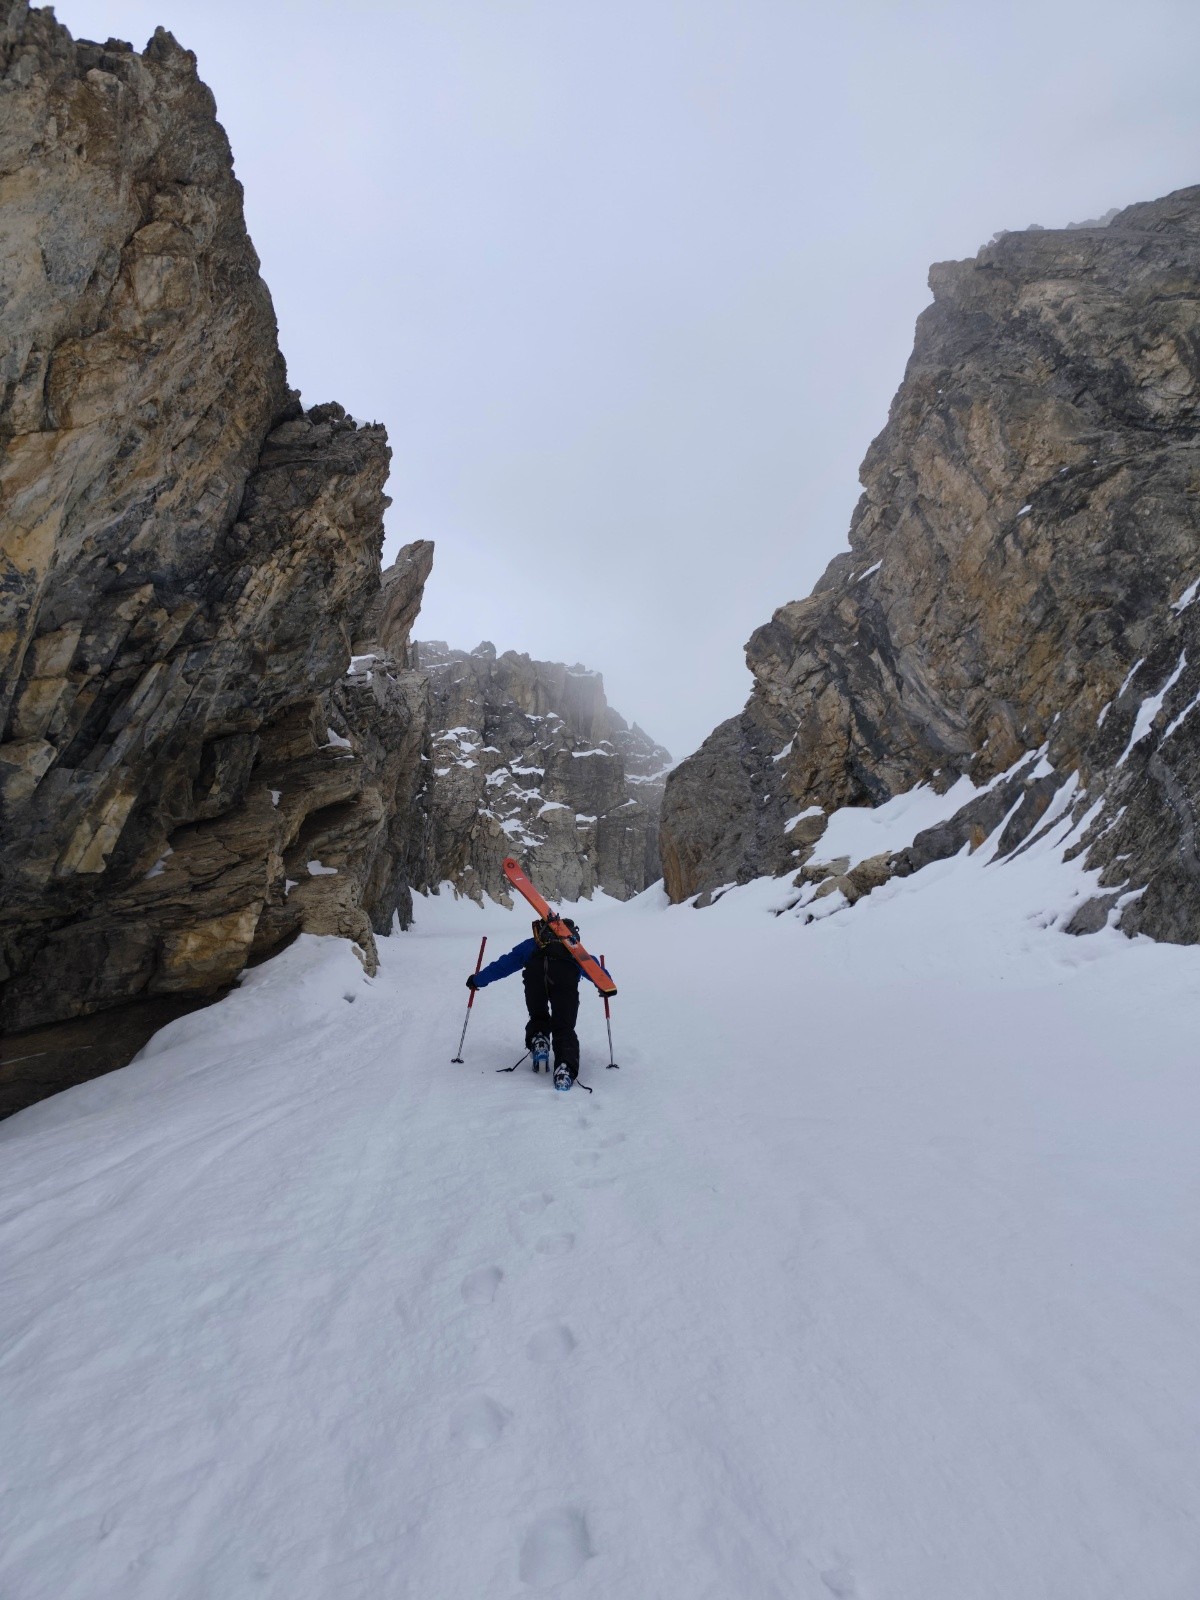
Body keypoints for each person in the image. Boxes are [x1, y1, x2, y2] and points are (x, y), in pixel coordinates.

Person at [467, 918, 610, 1088]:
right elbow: (594, 968)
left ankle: (539, 1041)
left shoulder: (533, 944)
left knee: (538, 1015)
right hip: (566, 981)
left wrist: (478, 980)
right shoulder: (574, 948)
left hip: (535, 979)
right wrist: (605, 985)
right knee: (564, 1026)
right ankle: (565, 1070)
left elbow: (504, 965)